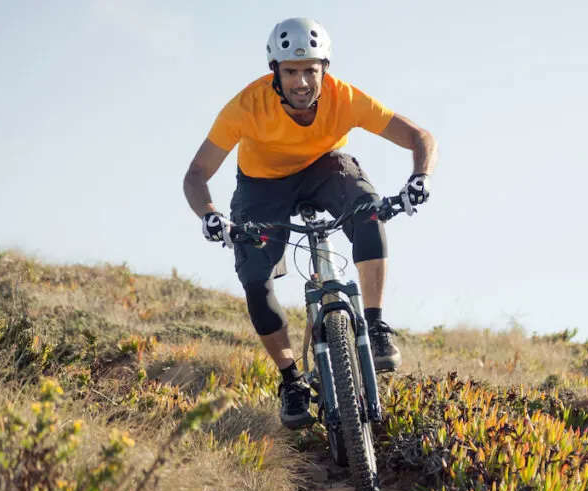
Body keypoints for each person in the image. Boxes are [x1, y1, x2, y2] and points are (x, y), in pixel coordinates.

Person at [183, 17, 437, 429]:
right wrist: (210, 216)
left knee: (369, 210)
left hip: (326, 167)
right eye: (291, 72)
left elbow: (420, 137)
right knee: (254, 274)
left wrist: (420, 177)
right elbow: (196, 174)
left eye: (310, 72)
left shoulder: (346, 98)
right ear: (275, 74)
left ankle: (374, 325)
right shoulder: (245, 107)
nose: (302, 82)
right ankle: (292, 380)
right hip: (262, 185)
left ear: (325, 71)